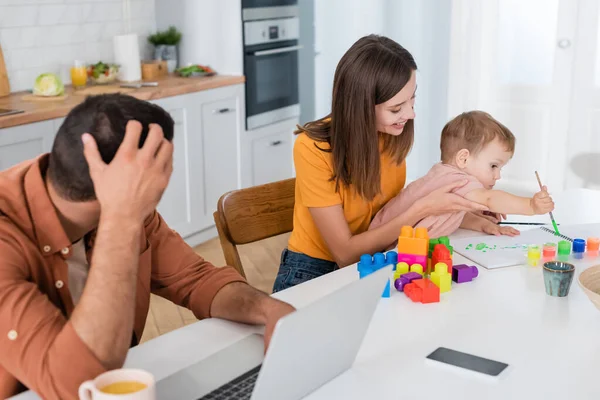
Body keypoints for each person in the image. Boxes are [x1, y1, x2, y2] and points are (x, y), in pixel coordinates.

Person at [0, 94, 295, 400]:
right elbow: (79, 385)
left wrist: (268, 309)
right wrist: (122, 217)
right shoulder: (121, 214)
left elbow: (196, 280)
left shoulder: (128, 212)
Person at [272, 35, 489, 293]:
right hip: (314, 272)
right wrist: (421, 209)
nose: (410, 115)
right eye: (397, 108)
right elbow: (345, 254)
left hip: (377, 259)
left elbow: (390, 214)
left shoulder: (389, 136)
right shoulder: (313, 148)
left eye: (412, 100)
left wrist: (463, 212)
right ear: (361, 106)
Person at [370, 110, 555, 247]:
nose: (497, 175)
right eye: (493, 166)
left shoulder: (442, 173)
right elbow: (491, 199)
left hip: (383, 240)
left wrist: (484, 225)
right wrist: (531, 206)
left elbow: (453, 215)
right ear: (463, 158)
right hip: (383, 249)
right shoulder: (459, 179)